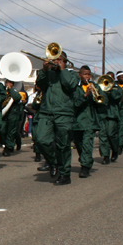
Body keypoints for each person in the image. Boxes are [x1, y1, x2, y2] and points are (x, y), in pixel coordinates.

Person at [33, 54, 79, 185]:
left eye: (59, 60)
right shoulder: (48, 73)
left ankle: (65, 174)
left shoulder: (71, 74)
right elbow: (40, 84)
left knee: (63, 145)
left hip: (64, 113)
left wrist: (62, 70)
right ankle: (53, 163)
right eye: (54, 60)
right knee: (40, 140)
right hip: (46, 112)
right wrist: (44, 70)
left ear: (65, 61)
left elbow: (70, 85)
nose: (56, 62)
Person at [72, 66, 105, 178]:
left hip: (90, 121)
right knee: (79, 145)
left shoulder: (95, 86)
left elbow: (103, 102)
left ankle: (85, 166)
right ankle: (86, 161)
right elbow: (75, 104)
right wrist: (85, 95)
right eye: (85, 74)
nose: (87, 76)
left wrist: (96, 96)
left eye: (89, 74)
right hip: (77, 122)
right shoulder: (75, 89)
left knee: (87, 144)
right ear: (80, 75)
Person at [98, 71, 122, 164]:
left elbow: (116, 98)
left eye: (110, 78)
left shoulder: (117, 89)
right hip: (103, 114)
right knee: (103, 136)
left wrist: (110, 89)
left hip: (112, 114)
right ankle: (105, 156)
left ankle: (115, 150)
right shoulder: (101, 87)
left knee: (111, 135)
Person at [0, 79, 23, 156]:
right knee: (2, 130)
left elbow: (17, 98)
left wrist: (11, 89)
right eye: (7, 83)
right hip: (4, 115)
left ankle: (8, 148)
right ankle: (8, 144)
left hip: (13, 115)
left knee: (11, 132)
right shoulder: (3, 91)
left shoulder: (15, 92)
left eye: (10, 83)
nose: (8, 84)